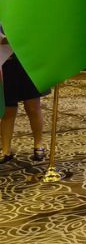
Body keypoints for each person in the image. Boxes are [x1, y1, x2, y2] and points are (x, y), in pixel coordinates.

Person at [1, 34, 48, 164]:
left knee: (33, 107)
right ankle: (5, 150)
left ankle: (38, 144)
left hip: (28, 62)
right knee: (8, 110)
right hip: (6, 64)